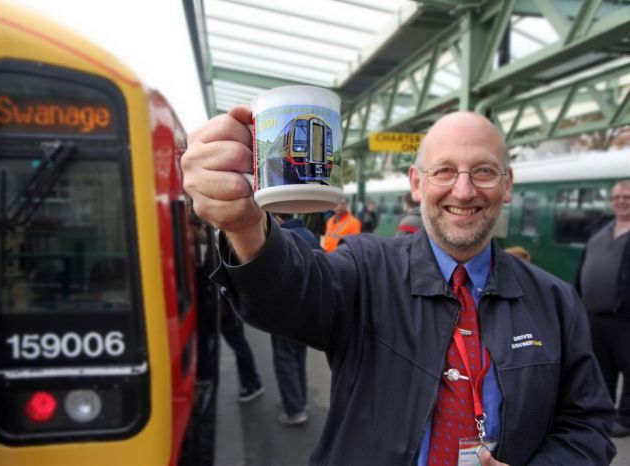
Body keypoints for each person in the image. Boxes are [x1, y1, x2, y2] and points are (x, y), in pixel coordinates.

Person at [181, 108, 615, 465]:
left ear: (507, 185)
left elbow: (587, 424)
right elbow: (290, 294)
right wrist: (245, 225)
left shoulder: (556, 301)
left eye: (483, 171)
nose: (463, 191)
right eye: (444, 171)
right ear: (416, 183)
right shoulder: (367, 269)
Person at [576, 179, 630, 437]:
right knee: (601, 366)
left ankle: (627, 418)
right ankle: (605, 411)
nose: (622, 200)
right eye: (618, 196)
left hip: (625, 316)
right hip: (594, 313)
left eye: (627, 196)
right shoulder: (602, 226)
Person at [271, 213, 321, 426]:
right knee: (298, 355)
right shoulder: (308, 234)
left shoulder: (279, 238)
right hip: (307, 309)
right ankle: (298, 399)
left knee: (284, 358)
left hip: (284, 310)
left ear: (278, 219)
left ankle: (295, 408)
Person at [220, 291, 264, 403]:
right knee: (240, 345)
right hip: (230, 307)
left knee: (240, 346)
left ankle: (252, 384)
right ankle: (251, 382)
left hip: (228, 310)